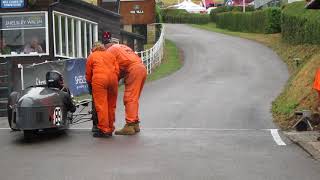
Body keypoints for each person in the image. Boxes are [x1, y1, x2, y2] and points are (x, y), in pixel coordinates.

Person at [103, 32, 147, 135]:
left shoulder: (110, 51)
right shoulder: (122, 46)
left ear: (107, 46)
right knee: (134, 98)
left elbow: (113, 69)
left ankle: (130, 125)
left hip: (133, 70)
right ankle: (135, 123)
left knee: (129, 98)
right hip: (141, 68)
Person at [86, 42, 119, 138]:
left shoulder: (92, 56)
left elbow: (88, 74)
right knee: (111, 105)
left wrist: (89, 84)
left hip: (99, 80)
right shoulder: (111, 55)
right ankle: (110, 127)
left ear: (93, 49)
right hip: (113, 80)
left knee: (101, 105)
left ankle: (104, 129)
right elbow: (117, 70)